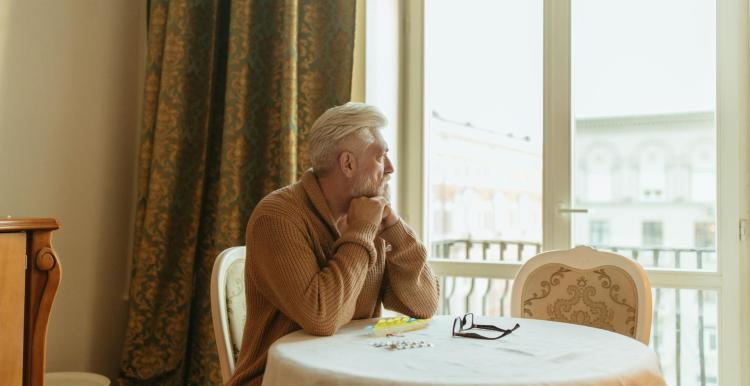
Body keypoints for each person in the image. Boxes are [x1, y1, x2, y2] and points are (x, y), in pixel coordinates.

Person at [227, 102, 440, 386]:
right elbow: (321, 317)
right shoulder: (277, 217)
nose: (390, 167)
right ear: (348, 163)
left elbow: (423, 306)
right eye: (380, 156)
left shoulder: (369, 216)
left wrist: (394, 228)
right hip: (278, 378)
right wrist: (362, 230)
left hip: (352, 372)